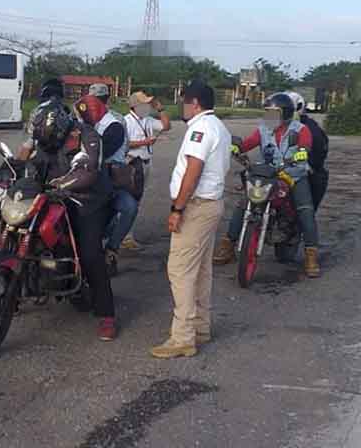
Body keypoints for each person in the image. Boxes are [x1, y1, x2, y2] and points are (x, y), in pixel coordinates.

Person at [21, 95, 117, 340]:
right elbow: (33, 165)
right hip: (55, 197)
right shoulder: (45, 139)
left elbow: (88, 170)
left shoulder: (88, 135)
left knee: (89, 253)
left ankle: (106, 315)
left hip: (88, 202)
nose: (45, 142)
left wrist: (61, 184)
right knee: (29, 234)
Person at [151, 80, 231, 359]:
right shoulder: (218, 126)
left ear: (194, 103)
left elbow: (193, 172)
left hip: (196, 207)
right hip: (210, 205)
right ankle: (200, 328)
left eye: (184, 101)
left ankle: (183, 337)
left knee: (180, 269)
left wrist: (177, 209)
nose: (181, 106)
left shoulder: (200, 128)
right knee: (200, 270)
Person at [214, 92, 321, 277]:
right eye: (268, 112)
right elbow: (248, 143)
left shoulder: (300, 129)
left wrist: (302, 152)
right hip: (268, 175)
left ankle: (311, 255)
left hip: (293, 175)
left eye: (274, 113)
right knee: (244, 203)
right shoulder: (263, 129)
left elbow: (305, 146)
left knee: (305, 210)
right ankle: (228, 245)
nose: (269, 117)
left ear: (286, 113)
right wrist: (235, 147)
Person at [88, 83, 137, 268]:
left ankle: (112, 249)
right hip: (86, 173)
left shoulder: (115, 121)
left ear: (107, 100)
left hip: (110, 174)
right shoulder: (80, 118)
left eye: (99, 100)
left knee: (129, 208)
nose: (97, 104)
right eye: (94, 101)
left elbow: (115, 148)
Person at [124, 91, 172, 247]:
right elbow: (124, 144)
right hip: (132, 164)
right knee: (130, 201)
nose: (147, 106)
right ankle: (126, 237)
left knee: (137, 200)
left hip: (145, 164)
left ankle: (127, 234)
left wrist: (161, 109)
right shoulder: (126, 122)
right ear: (135, 106)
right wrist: (144, 142)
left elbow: (166, 126)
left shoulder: (148, 120)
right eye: (144, 104)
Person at [288, 91, 329, 211]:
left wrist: (305, 163)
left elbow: (318, 155)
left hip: (307, 173)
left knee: (305, 212)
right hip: (282, 170)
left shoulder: (311, 129)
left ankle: (305, 228)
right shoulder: (277, 126)